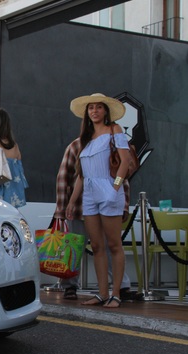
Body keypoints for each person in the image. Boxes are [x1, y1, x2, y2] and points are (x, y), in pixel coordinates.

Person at [65, 93, 131, 308]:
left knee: (114, 244)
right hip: (90, 194)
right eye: (91, 108)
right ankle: (102, 293)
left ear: (105, 111)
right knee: (96, 245)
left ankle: (116, 293)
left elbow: (125, 162)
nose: (94, 111)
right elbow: (82, 175)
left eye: (99, 107)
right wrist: (72, 201)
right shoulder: (85, 138)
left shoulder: (115, 130)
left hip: (109, 189)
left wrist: (115, 187)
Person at [53, 137, 136, 301]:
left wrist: (121, 200)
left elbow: (122, 175)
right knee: (76, 246)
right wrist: (63, 208)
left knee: (109, 245)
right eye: (91, 109)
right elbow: (67, 176)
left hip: (106, 205)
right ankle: (71, 285)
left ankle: (119, 288)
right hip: (80, 206)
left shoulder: (115, 143)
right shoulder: (76, 145)